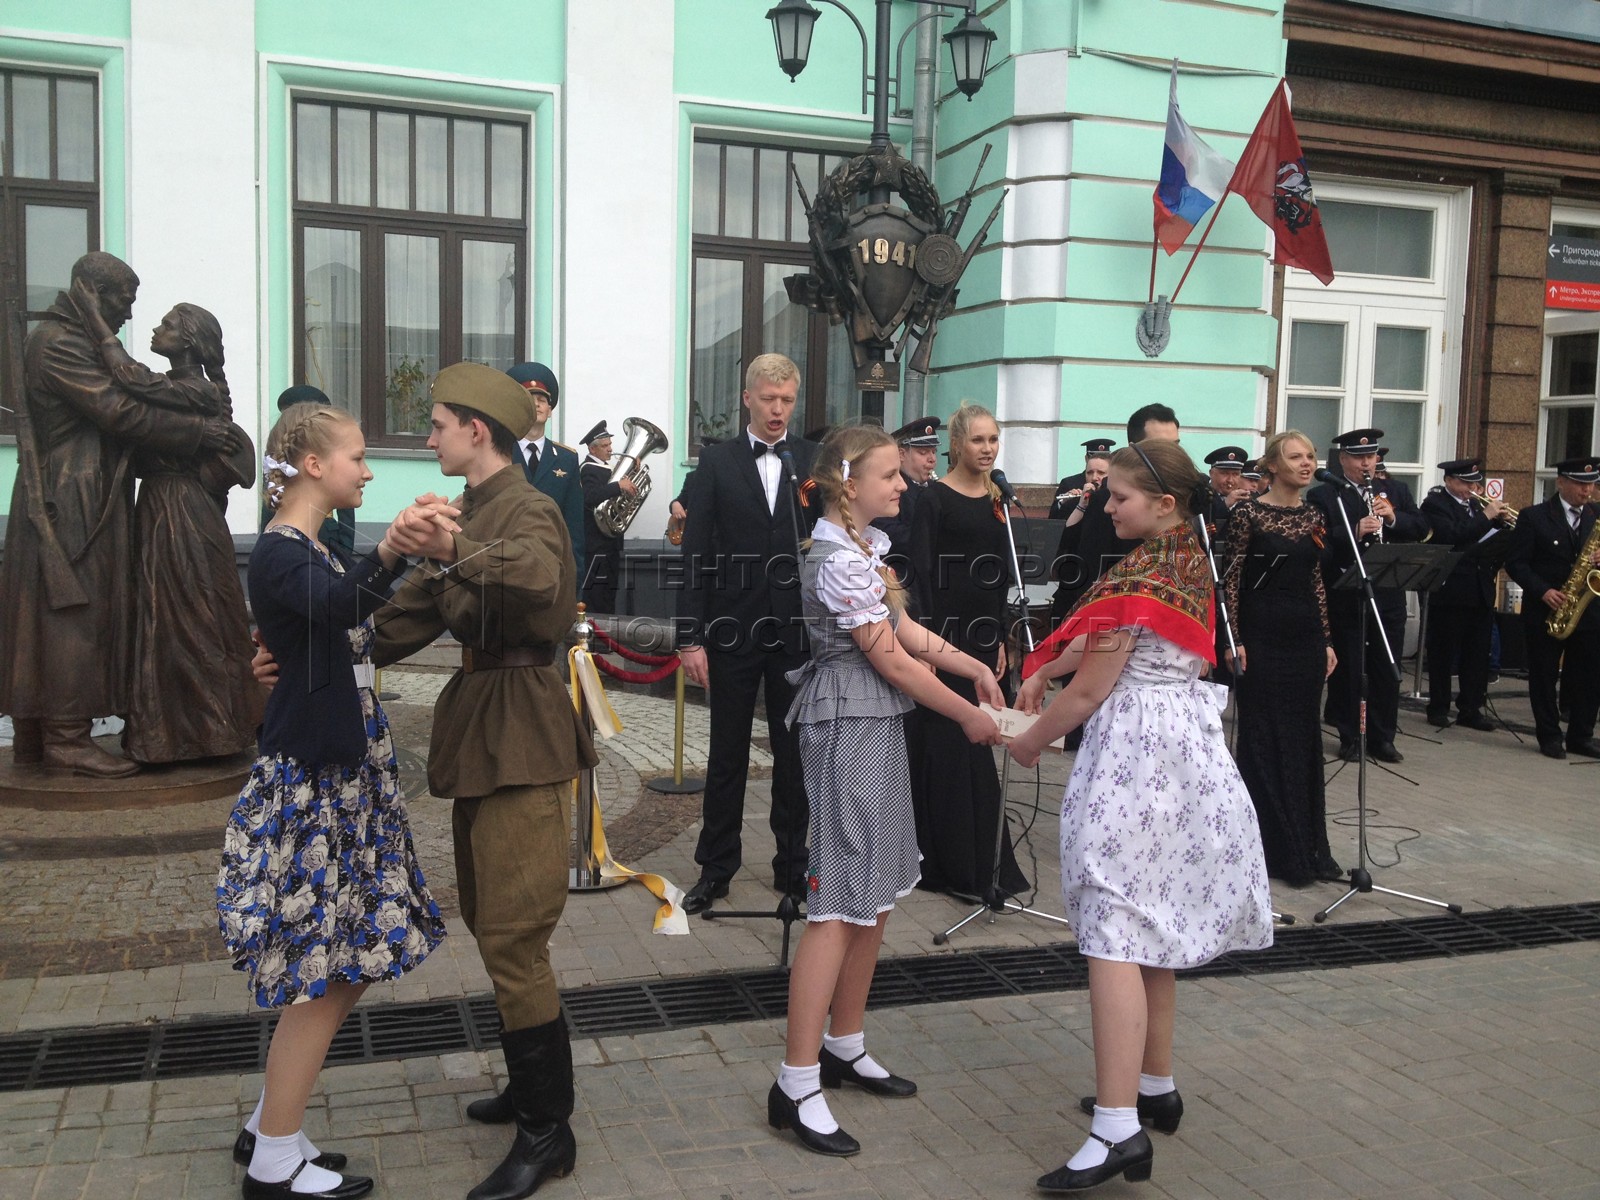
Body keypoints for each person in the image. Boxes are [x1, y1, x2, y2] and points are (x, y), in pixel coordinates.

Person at [1009, 439, 1272, 1194]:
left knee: (1114, 925)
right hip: (1182, 750)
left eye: (1117, 497)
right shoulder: (1190, 550)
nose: (1104, 506)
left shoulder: (1152, 565)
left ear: (1162, 503)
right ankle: (1154, 1083)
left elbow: (1095, 687)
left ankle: (1116, 1129)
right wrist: (1047, 668)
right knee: (1148, 916)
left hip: (1138, 757)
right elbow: (1111, 638)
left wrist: (1029, 739)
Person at [222, 401, 453, 1200]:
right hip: (318, 784)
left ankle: (268, 1128)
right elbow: (340, 609)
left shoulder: (307, 548)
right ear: (316, 466)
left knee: (340, 962)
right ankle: (275, 1158)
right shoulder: (285, 550)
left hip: (341, 776)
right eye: (359, 455)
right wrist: (393, 549)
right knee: (323, 969)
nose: (370, 467)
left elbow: (326, 629)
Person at [770, 425, 1004, 1157]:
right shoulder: (835, 558)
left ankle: (844, 1043)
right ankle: (795, 1081)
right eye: (888, 475)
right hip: (846, 724)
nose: (903, 484)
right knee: (838, 901)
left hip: (872, 724)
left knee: (871, 896)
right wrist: (970, 714)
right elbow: (893, 661)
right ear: (848, 486)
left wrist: (974, 668)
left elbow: (909, 633)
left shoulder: (862, 550)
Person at [0, 251, 238, 778]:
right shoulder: (61, 343)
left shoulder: (75, 340)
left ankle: (40, 736)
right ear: (91, 292)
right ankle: (64, 737)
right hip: (73, 493)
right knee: (74, 616)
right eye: (123, 301)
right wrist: (198, 434)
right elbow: (118, 409)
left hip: (86, 488)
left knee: (63, 614)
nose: (130, 313)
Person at [73, 294, 262, 764]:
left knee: (189, 616)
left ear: (191, 343)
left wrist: (101, 332)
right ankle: (168, 734)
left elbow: (133, 379)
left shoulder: (197, 389)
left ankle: (211, 731)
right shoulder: (180, 389)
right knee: (160, 619)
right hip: (160, 507)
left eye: (166, 325)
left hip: (181, 513)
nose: (156, 331)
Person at [677, 353, 817, 913]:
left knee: (794, 755)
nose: (778, 410)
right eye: (768, 399)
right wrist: (690, 637)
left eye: (786, 400)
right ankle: (716, 868)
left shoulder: (810, 460)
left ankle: (794, 865)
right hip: (731, 628)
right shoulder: (716, 463)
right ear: (747, 400)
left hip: (795, 633)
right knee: (727, 753)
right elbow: (695, 555)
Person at [907, 402, 1028, 899]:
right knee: (948, 742)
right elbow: (918, 572)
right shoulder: (932, 499)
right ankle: (947, 861)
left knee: (980, 738)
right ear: (956, 445)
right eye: (978, 440)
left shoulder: (999, 499)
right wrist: (923, 643)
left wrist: (1002, 634)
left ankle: (982, 856)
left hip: (982, 633)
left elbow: (1001, 572)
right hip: (942, 635)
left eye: (993, 439)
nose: (987, 448)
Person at [1223, 431, 1340, 887]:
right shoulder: (1247, 513)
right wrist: (1235, 638)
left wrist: (1326, 639)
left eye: (1310, 455)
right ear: (1273, 465)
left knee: (1304, 739)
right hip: (1261, 634)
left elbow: (1315, 580)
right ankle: (1268, 850)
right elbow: (1230, 581)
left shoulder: (1315, 513)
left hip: (1304, 636)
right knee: (1262, 739)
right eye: (1295, 457)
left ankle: (1308, 845)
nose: (1307, 463)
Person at [1307, 428, 1428, 764]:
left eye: (1371, 457)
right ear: (1343, 459)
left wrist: (1393, 517)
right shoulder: (1325, 496)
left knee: (1386, 667)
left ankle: (1382, 737)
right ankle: (1349, 736)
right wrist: (1354, 531)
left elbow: (1421, 527)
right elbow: (1320, 545)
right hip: (1347, 595)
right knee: (1350, 670)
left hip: (1387, 593)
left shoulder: (1396, 491)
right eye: (1359, 457)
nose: (1366, 463)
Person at [1504, 456, 1600, 759]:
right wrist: (1543, 590)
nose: (1587, 492)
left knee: (1589, 675)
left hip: (1588, 610)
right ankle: (1549, 736)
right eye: (1580, 485)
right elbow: (1516, 563)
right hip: (1547, 610)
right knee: (1544, 675)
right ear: (1561, 482)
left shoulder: (1596, 515)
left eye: (1592, 485)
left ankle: (1581, 736)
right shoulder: (1534, 517)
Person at [1050, 405, 1181, 624]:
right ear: (1135, 449)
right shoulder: (1107, 501)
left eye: (1175, 446)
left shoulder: (1189, 496)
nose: (1171, 456)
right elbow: (1092, 572)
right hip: (1120, 620)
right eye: (1160, 447)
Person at [1420, 459, 1511, 731]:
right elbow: (1454, 535)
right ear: (1449, 481)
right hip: (1450, 589)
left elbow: (1488, 540)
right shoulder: (1435, 505)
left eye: (1474, 483)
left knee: (1477, 652)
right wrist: (1487, 517)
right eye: (1464, 483)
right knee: (1443, 652)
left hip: (1480, 588)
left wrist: (1502, 525)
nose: (1471, 489)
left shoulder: (1476, 506)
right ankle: (1438, 707)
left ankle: (1471, 708)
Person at [507, 361, 585, 586]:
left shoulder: (567, 459)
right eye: (530, 400)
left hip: (553, 567)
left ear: (550, 411)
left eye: (542, 400)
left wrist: (575, 582)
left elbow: (574, 527)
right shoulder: (499, 453)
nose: (538, 405)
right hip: (507, 564)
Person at [261, 385, 356, 557]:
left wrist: (345, 549)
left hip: (327, 536)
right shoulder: (279, 452)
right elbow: (270, 499)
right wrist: (266, 536)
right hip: (287, 538)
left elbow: (345, 505)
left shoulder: (328, 448)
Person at [577, 420, 638, 614]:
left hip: (610, 543)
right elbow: (590, 496)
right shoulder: (587, 468)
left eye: (610, 445)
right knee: (596, 596)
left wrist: (633, 473)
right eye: (605, 446)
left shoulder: (605, 467)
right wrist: (618, 486)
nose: (610, 449)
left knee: (609, 593)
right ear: (592, 449)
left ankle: (606, 639)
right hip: (596, 544)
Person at [869, 415, 942, 576]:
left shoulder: (936, 489)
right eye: (923, 452)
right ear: (901, 454)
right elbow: (890, 533)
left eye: (933, 452)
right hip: (903, 576)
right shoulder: (890, 489)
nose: (932, 460)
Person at [1046, 438, 1116, 522]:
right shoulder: (1069, 484)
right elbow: (1053, 521)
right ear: (1086, 459)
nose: (1094, 477)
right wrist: (1062, 503)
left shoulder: (1115, 490)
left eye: (1101, 473)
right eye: (1090, 472)